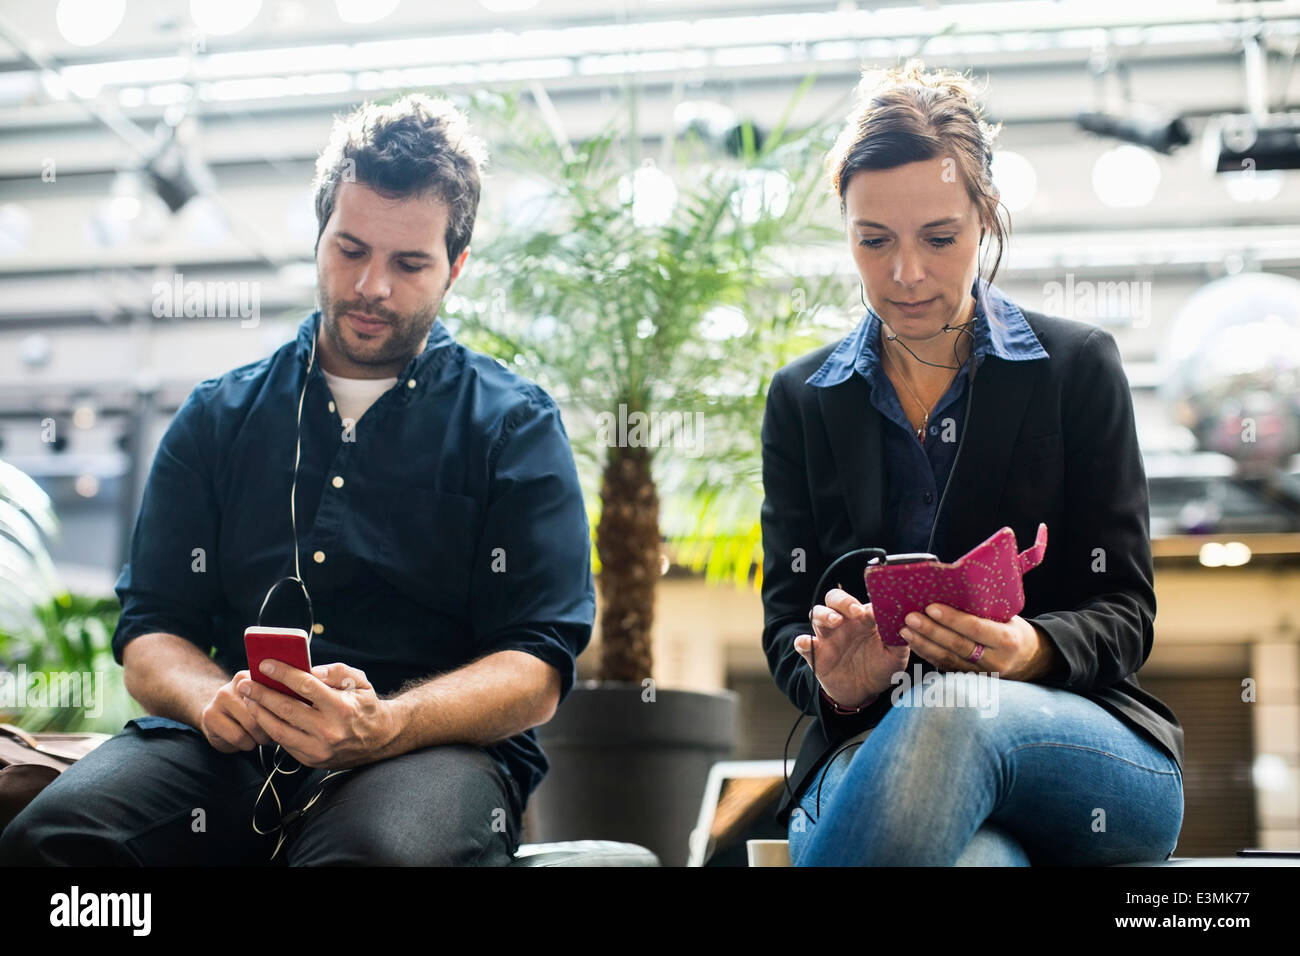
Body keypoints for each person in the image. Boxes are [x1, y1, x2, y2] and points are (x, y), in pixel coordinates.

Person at [0, 94, 595, 866]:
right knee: (54, 842)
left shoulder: (513, 427)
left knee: (370, 860)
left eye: (409, 263)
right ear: (320, 236)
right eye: (349, 249)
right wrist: (208, 698)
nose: (372, 285)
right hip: (227, 750)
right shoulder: (218, 417)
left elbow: (537, 665)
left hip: (423, 754)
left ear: (455, 268)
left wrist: (388, 722)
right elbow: (151, 631)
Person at [759, 61, 1185, 866]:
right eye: (873, 240)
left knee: (955, 708)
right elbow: (787, 621)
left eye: (940, 239)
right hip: (871, 753)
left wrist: (1028, 650)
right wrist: (836, 682)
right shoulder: (803, 401)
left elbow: (1125, 609)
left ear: (985, 219)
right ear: (845, 230)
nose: (906, 273)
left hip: (1075, 743)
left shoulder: (1078, 368)